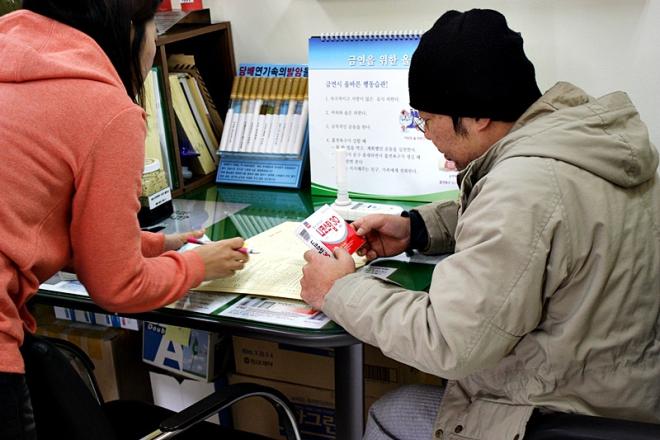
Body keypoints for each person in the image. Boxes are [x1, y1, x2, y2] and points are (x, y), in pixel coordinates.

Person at [300, 8, 660, 440]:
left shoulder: (522, 186)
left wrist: (338, 290)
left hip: (553, 412)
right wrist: (417, 228)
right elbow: (548, 224)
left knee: (389, 412)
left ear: (478, 116)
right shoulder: (581, 146)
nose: (425, 134)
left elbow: (447, 341)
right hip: (618, 396)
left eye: (427, 119)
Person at [0, 1, 248, 438]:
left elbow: (27, 220)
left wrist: (153, 246)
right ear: (131, 28)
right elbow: (118, 286)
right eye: (156, 27)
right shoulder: (104, 109)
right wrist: (197, 266)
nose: (157, 43)